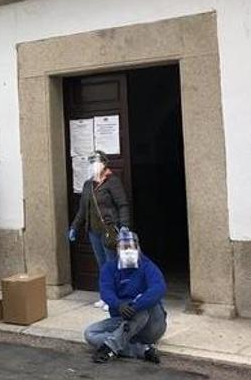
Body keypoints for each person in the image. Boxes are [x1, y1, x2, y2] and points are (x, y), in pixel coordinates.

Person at [83, 228, 166, 364]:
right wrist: (118, 305)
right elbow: (106, 291)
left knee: (141, 308)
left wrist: (136, 305)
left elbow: (158, 288)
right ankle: (142, 350)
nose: (128, 251)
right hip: (124, 320)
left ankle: (109, 347)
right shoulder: (109, 268)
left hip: (151, 324)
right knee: (90, 334)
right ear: (117, 250)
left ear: (138, 248)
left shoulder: (147, 266)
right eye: (124, 247)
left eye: (131, 247)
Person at [68, 150, 131, 310]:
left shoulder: (112, 181)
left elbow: (122, 204)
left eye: (95, 162)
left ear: (104, 164)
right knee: (102, 265)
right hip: (93, 232)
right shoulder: (88, 184)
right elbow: (83, 209)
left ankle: (115, 298)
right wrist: (74, 227)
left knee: (111, 264)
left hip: (109, 230)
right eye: (91, 162)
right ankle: (105, 296)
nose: (93, 166)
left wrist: (124, 225)